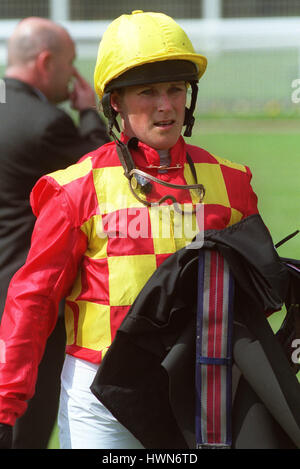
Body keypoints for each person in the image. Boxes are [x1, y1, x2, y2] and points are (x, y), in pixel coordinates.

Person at [0, 10, 292, 450]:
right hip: (101, 399)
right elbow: (33, 301)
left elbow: (253, 301)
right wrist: (6, 404)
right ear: (114, 102)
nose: (165, 105)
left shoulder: (232, 185)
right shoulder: (73, 190)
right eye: (147, 92)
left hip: (202, 387)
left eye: (176, 89)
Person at [0, 17, 110, 449]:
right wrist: (87, 112)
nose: (73, 77)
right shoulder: (47, 124)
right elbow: (99, 174)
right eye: (70, 65)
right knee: (24, 423)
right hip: (24, 299)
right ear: (46, 62)